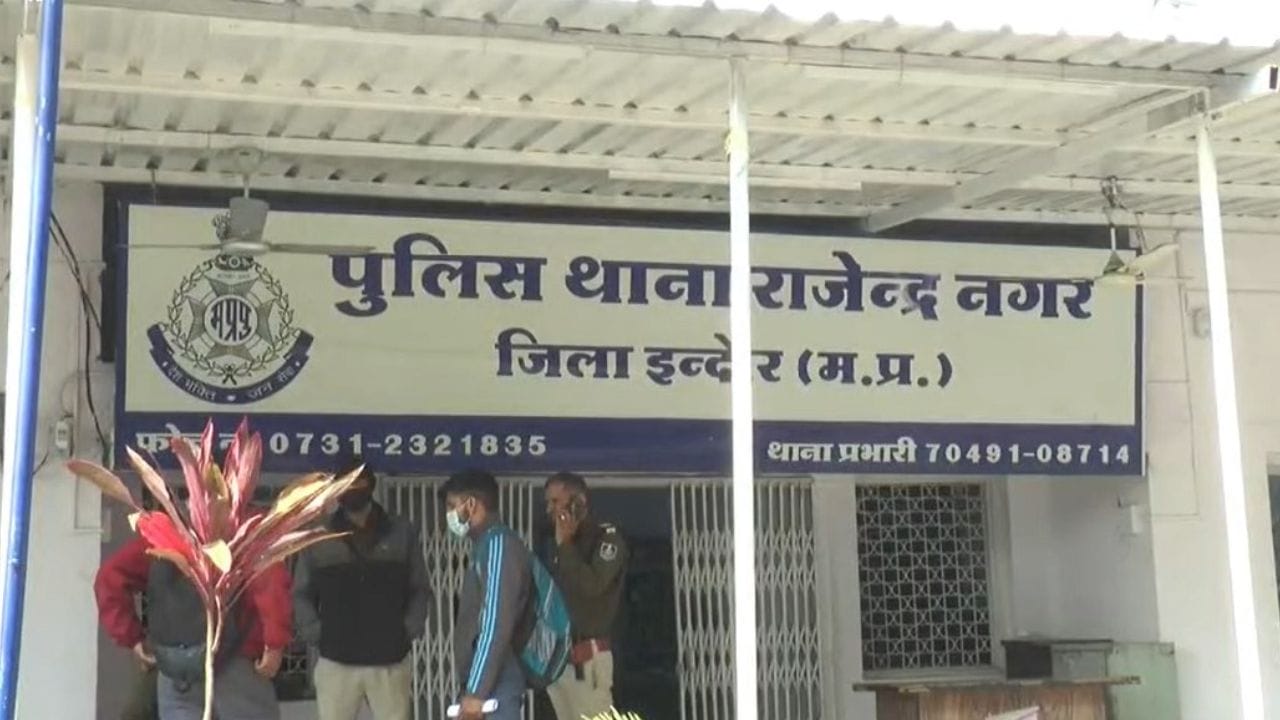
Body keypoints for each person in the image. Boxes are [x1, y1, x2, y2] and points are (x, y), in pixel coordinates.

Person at [95, 495, 293, 720]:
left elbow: (108, 577)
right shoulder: (247, 528)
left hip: (176, 666)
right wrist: (274, 643)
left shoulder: (164, 533)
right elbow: (269, 583)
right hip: (237, 664)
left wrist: (133, 638)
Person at [293, 457, 431, 720]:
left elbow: (419, 589)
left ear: (372, 486)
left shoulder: (401, 532)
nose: (353, 490)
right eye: (347, 485)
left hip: (389, 660)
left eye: (360, 484)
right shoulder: (319, 535)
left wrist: (406, 631)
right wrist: (316, 634)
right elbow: (302, 592)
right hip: (336, 660)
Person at [442, 468, 532, 720]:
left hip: (494, 687)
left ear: (471, 505)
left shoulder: (498, 546)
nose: (448, 515)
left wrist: (476, 693)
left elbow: (495, 624)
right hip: (489, 681)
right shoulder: (486, 545)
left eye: (452, 506)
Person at [542, 472, 628, 720]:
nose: (550, 509)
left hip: (588, 659)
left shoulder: (606, 539)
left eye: (555, 501)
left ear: (578, 501)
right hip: (561, 659)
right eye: (548, 503)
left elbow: (592, 585)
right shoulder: (557, 542)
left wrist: (566, 545)